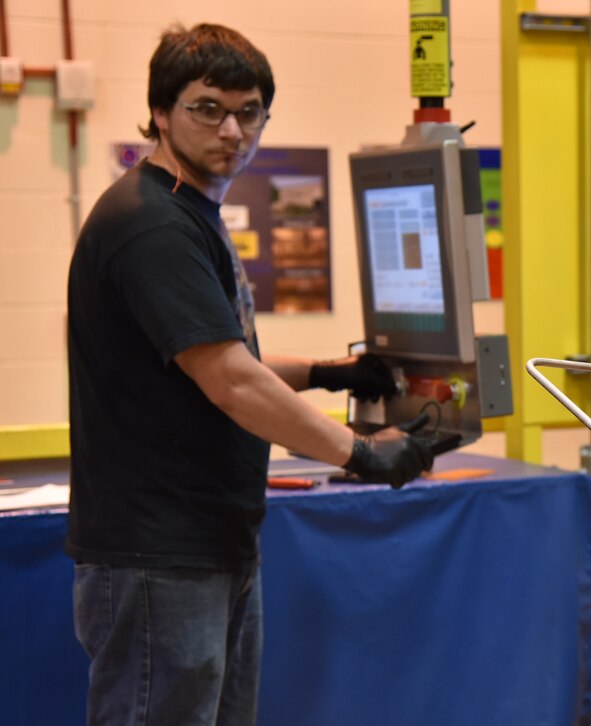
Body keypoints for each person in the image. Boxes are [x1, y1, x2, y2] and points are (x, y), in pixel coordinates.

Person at [65, 23, 432, 725]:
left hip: (209, 541)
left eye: (250, 110)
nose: (233, 130)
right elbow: (230, 380)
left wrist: (333, 372)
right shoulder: (152, 226)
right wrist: (361, 453)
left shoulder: (188, 211)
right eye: (209, 108)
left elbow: (229, 361)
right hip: (159, 554)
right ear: (162, 111)